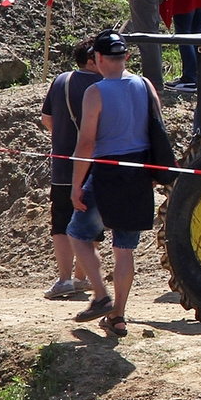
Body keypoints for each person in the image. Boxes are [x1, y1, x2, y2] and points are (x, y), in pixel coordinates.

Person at [68, 29, 164, 337]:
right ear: (126, 57)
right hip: (138, 173)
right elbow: (157, 131)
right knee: (125, 249)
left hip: (106, 173)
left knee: (78, 232)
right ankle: (118, 317)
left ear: (96, 59)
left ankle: (100, 295)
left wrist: (75, 185)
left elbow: (85, 144)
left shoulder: (95, 93)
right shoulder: (145, 85)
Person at [37, 39, 104, 300]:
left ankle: (64, 279)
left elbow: (47, 119)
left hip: (64, 164)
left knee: (61, 222)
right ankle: (81, 277)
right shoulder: (104, 86)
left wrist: (63, 138)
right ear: (92, 60)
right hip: (96, 164)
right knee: (92, 222)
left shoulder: (62, 80)